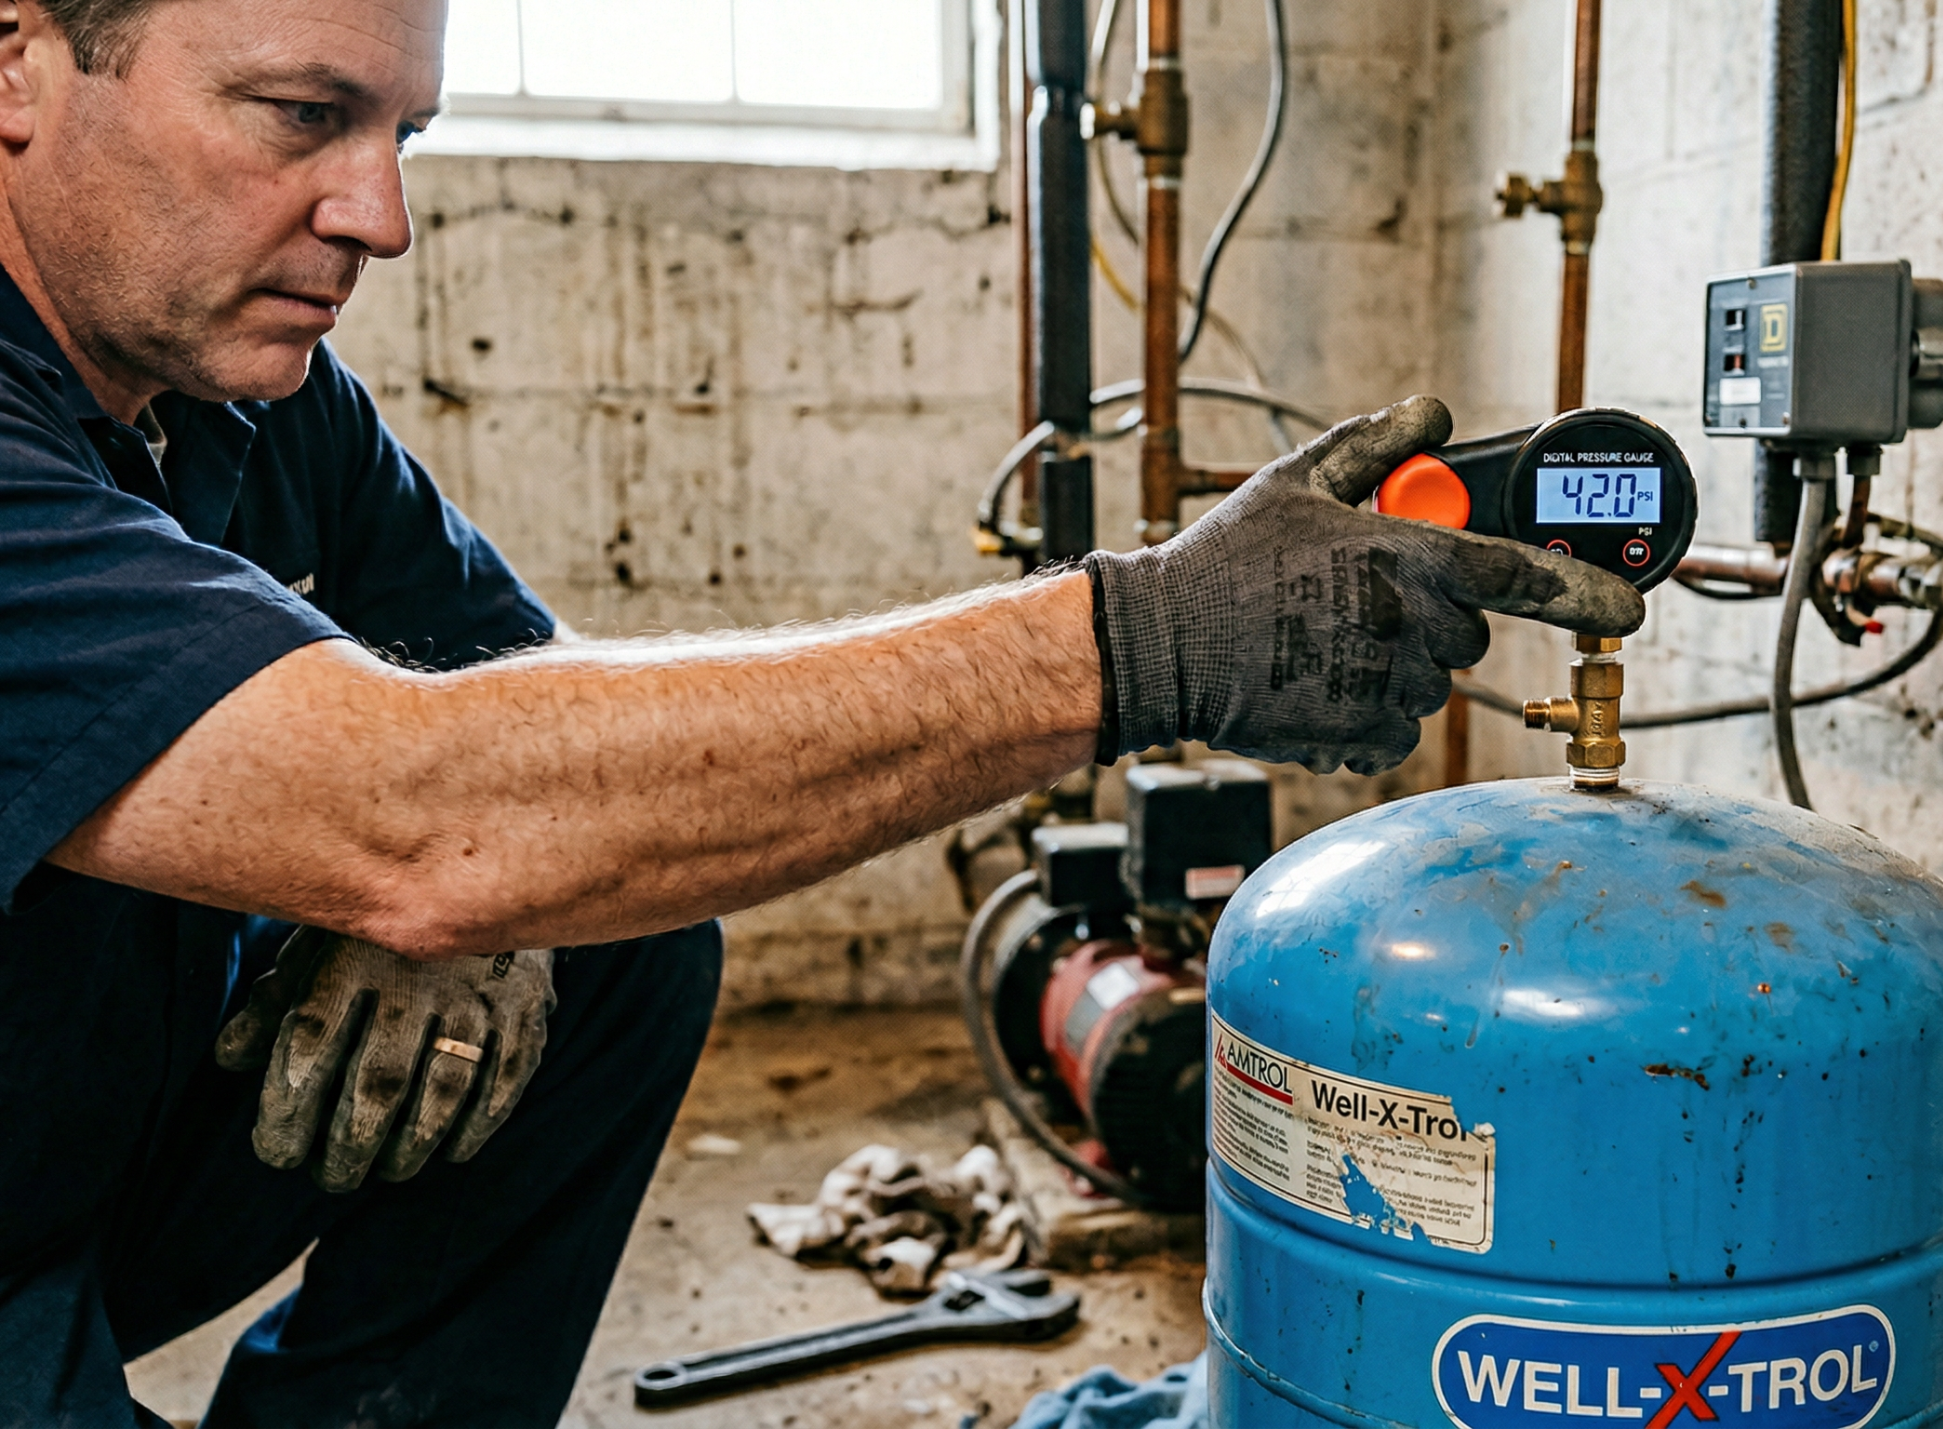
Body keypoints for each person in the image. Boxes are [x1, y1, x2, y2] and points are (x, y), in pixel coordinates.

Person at [0, 0, 1643, 1423]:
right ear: (18, 68)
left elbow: (526, 713)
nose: (380, 213)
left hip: (85, 1153)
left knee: (607, 930)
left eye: (401, 131)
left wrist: (477, 904)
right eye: (303, 116)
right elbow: (419, 808)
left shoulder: (245, 404)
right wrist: (1142, 637)